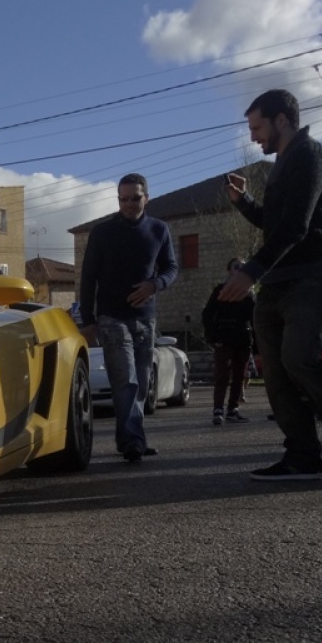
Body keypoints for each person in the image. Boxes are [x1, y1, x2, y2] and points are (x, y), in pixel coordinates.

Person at [217, 89, 322, 480]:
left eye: (257, 127)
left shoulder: (309, 155)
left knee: (300, 357)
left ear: (282, 120)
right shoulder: (283, 162)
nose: (253, 137)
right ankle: (301, 453)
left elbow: (297, 227)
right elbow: (274, 225)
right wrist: (244, 202)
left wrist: (251, 270)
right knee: (277, 370)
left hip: (310, 275)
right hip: (278, 280)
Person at [78, 172, 179, 462]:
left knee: (143, 383)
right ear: (118, 199)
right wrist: (88, 320)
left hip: (146, 320)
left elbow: (171, 267)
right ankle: (133, 441)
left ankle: (132, 438)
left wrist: (155, 284)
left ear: (146, 197)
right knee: (126, 379)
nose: (129, 203)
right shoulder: (102, 233)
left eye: (135, 198)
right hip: (112, 319)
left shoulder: (159, 230)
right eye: (123, 199)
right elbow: (88, 278)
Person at [202, 257, 255, 425]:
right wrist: (213, 336)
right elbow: (208, 314)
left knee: (239, 375)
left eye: (244, 267)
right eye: (236, 266)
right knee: (222, 375)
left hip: (242, 336)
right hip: (223, 336)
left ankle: (233, 409)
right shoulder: (220, 290)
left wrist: (257, 341)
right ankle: (218, 409)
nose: (240, 269)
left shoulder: (249, 293)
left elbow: (254, 317)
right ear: (230, 270)